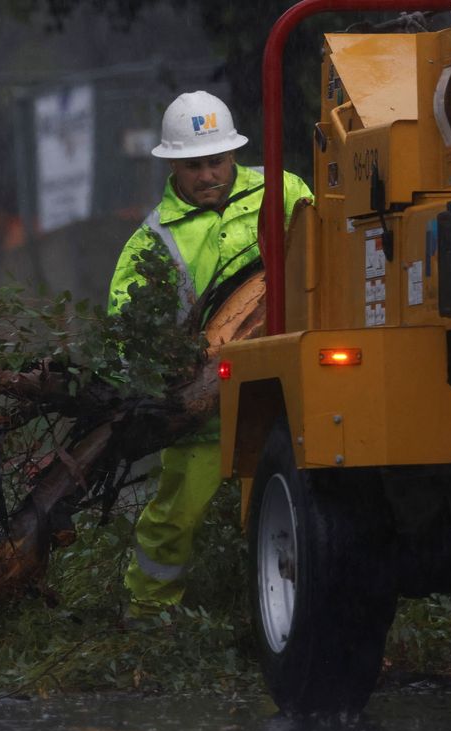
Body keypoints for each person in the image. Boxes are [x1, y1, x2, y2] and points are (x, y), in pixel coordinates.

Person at [109, 90, 312, 619]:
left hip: (288, 396)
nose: (207, 175)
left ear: (233, 155)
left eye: (216, 161)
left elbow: (323, 260)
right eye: (194, 165)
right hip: (203, 416)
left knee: (291, 511)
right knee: (175, 519)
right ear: (173, 164)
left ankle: (285, 611)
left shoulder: (284, 193)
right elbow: (128, 333)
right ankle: (148, 613)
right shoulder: (151, 243)